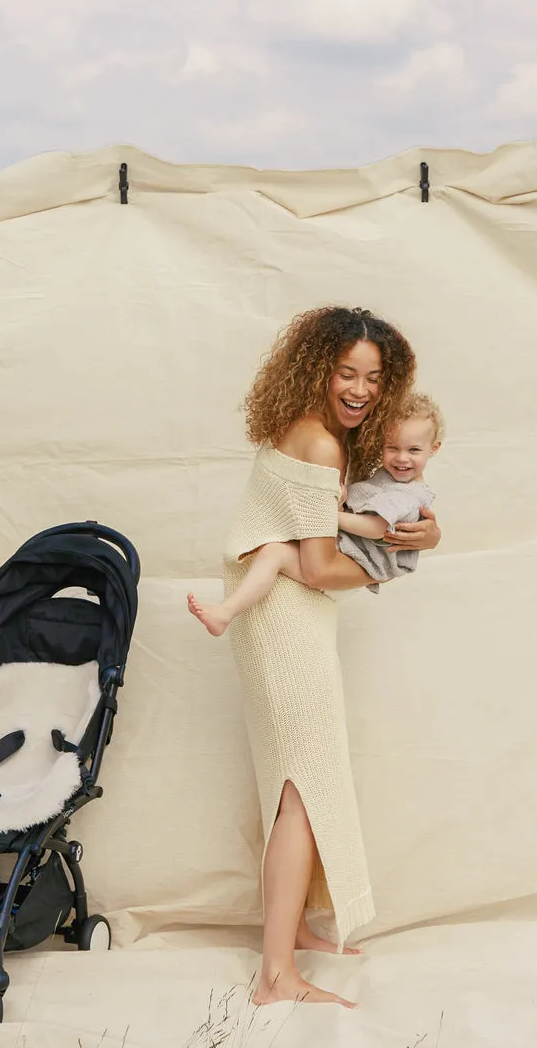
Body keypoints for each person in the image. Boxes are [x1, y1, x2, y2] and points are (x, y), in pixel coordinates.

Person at [217, 307, 441, 1008]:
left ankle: (293, 936)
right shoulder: (319, 445)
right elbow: (317, 567)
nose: (362, 389)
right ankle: (276, 976)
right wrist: (394, 566)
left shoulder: (310, 431)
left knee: (295, 779)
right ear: (319, 368)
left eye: (375, 377)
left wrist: (422, 538)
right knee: (301, 787)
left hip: (279, 609)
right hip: (284, 614)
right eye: (348, 372)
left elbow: (332, 540)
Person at [187, 393, 443, 636]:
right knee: (271, 552)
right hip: (347, 555)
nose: (401, 458)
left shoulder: (408, 496)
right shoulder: (390, 479)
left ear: (434, 448)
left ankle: (226, 611)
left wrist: (329, 513)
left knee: (274, 554)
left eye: (413, 450)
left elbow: (377, 528)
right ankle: (225, 612)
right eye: (392, 447)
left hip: (350, 566)